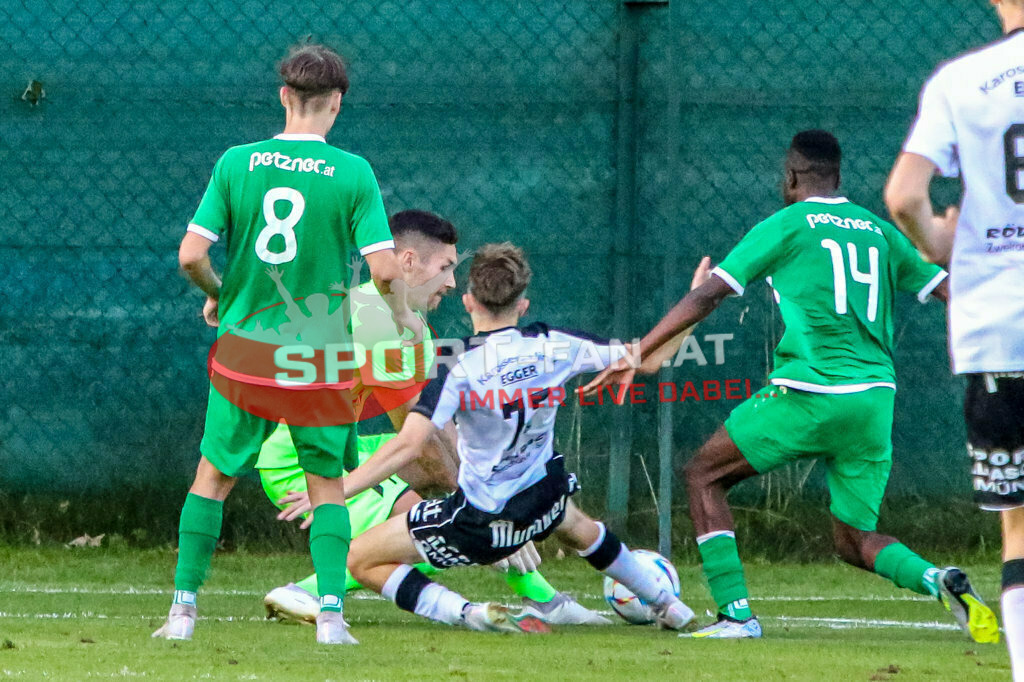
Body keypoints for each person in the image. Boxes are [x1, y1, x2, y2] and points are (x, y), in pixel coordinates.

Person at [586, 130, 998, 641]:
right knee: (854, 539)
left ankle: (737, 616)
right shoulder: (879, 230)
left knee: (703, 475)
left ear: (790, 177)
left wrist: (640, 350)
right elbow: (950, 290)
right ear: (839, 177)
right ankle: (939, 579)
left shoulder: (787, 225)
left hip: (811, 392)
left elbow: (708, 296)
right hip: (873, 401)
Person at [153, 43, 419, 646]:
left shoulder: (237, 161)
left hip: (246, 349)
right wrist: (401, 316)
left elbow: (191, 255)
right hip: (318, 357)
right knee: (325, 484)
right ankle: (330, 617)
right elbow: (382, 270)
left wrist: (220, 293)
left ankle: (182, 613)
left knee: (213, 478)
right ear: (337, 104)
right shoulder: (353, 172)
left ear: (283, 96)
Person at [259, 211, 607, 626]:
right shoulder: (379, 322)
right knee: (440, 530)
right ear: (407, 262)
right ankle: (306, 591)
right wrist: (491, 513)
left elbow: (440, 426)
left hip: (342, 450)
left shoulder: (407, 322)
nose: (452, 282)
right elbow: (420, 444)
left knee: (447, 521)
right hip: (301, 462)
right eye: (444, 267)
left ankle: (544, 600)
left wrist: (493, 492)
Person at [331, 243, 697, 636]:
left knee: (359, 559)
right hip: (544, 498)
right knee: (578, 526)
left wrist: (337, 491)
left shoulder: (458, 367)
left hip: (481, 521)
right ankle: (667, 603)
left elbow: (409, 445)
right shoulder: (554, 344)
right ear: (523, 305)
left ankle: (468, 613)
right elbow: (651, 357)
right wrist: (697, 303)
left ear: (469, 302)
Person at [885, 0, 1024, 671]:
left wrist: (940, 240)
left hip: (1002, 328)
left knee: (1019, 522)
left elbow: (905, 196)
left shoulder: (963, 81)